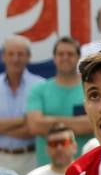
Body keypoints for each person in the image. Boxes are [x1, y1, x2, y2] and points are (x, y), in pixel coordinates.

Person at [0, 36, 43, 175]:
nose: (15, 59)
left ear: (28, 57)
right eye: (11, 54)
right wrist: (22, 120)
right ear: (3, 57)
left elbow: (33, 128)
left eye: (20, 54)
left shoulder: (40, 85)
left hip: (30, 158)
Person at [26, 36, 90, 166]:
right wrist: (79, 123)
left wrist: (48, 122)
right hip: (47, 170)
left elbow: (93, 124)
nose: (65, 57)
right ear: (54, 58)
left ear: (79, 57)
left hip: (85, 168)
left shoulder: (90, 88)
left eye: (70, 54)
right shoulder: (39, 90)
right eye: (61, 54)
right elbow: (34, 125)